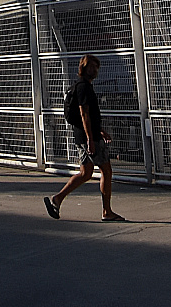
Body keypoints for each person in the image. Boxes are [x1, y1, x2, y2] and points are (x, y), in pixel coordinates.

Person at [47, 55, 125, 222]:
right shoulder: (83, 87)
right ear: (83, 68)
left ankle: (58, 198)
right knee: (106, 171)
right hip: (88, 137)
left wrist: (100, 130)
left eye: (96, 67)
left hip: (84, 135)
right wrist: (91, 138)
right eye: (90, 67)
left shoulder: (81, 86)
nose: (94, 70)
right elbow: (84, 113)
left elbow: (89, 116)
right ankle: (107, 211)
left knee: (86, 173)